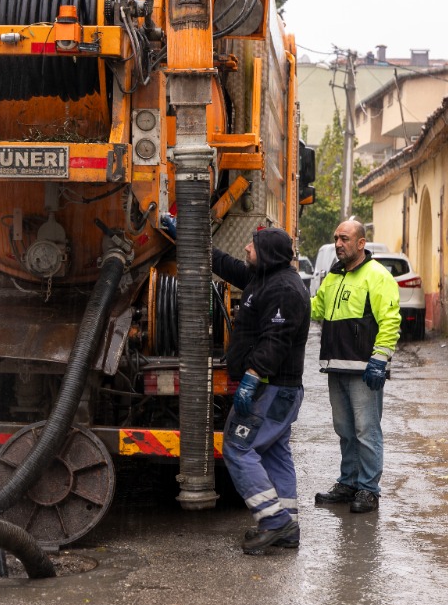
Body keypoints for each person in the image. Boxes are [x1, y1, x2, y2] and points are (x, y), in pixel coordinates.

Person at [161, 216, 311, 553]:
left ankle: (274, 523)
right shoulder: (264, 278)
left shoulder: (284, 289)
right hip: (276, 390)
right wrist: (186, 234)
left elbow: (276, 341)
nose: (246, 248)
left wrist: (252, 378)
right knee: (274, 453)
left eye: (253, 245)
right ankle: (287, 525)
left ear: (268, 253)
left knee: (238, 449)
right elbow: (224, 264)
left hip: (271, 388)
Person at [310, 219, 400, 514]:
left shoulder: (376, 276)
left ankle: (368, 489)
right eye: (336, 238)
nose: (338, 243)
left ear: (361, 243)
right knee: (345, 430)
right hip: (336, 366)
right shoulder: (333, 277)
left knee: (366, 430)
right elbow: (317, 309)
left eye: (345, 238)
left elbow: (390, 320)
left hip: (364, 368)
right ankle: (348, 483)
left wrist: (380, 358)